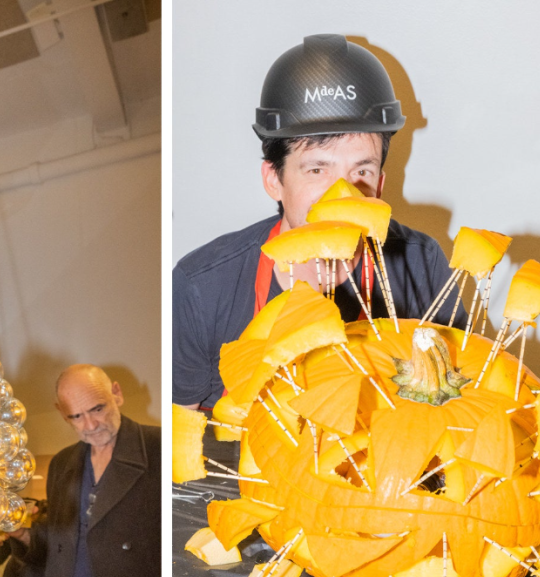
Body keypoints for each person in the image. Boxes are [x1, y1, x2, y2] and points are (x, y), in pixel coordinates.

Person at [172, 34, 465, 409]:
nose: (341, 193)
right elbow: (184, 444)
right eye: (316, 169)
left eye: (362, 170)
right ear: (273, 179)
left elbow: (454, 411)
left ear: (380, 184)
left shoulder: (421, 265)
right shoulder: (202, 288)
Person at [14, 365, 160, 577]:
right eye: (77, 417)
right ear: (62, 415)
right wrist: (20, 533)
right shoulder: (63, 464)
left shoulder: (157, 449)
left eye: (98, 409)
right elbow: (56, 549)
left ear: (117, 393)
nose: (91, 425)